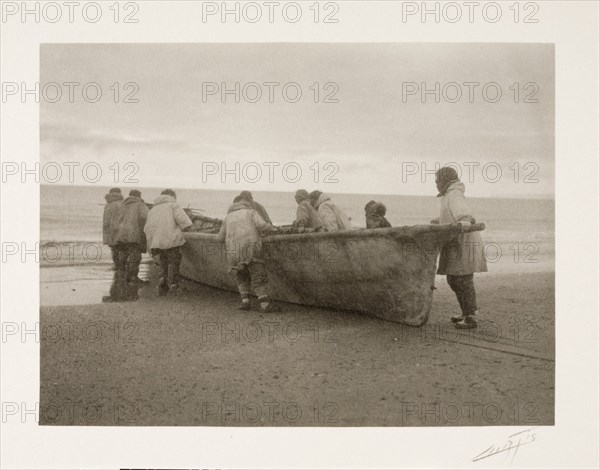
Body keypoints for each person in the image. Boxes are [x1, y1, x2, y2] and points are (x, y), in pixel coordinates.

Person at [433, 167, 487, 329]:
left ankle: (471, 316)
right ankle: (466, 312)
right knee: (454, 279)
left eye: (437, 181)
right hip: (456, 244)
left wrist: (464, 221)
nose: (436, 185)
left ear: (445, 181)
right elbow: (451, 213)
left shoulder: (454, 194)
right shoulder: (449, 195)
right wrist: (439, 221)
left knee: (462, 280)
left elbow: (463, 213)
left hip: (464, 242)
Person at [217, 198, 280, 312]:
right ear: (246, 203)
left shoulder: (228, 217)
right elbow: (262, 226)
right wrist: (273, 229)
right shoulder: (251, 212)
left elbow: (220, 238)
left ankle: (245, 302)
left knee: (241, 276)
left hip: (234, 252)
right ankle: (265, 305)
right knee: (258, 276)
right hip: (251, 249)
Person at [144, 189, 193, 295]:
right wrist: (187, 231)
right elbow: (186, 223)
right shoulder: (173, 206)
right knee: (174, 262)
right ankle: (174, 285)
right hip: (171, 241)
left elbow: (147, 228)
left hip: (157, 242)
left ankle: (162, 281)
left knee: (163, 261)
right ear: (172, 196)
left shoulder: (153, 209)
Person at [112, 189, 149, 285]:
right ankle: (133, 278)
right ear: (139, 196)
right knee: (135, 256)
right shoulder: (140, 205)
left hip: (120, 235)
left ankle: (122, 278)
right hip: (133, 235)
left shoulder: (122, 204)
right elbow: (146, 217)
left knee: (123, 256)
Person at [102, 187, 124, 268]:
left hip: (110, 230)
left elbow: (106, 221)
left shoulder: (108, 205)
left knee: (113, 248)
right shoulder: (122, 203)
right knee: (121, 248)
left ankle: (116, 265)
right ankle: (122, 265)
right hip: (120, 229)